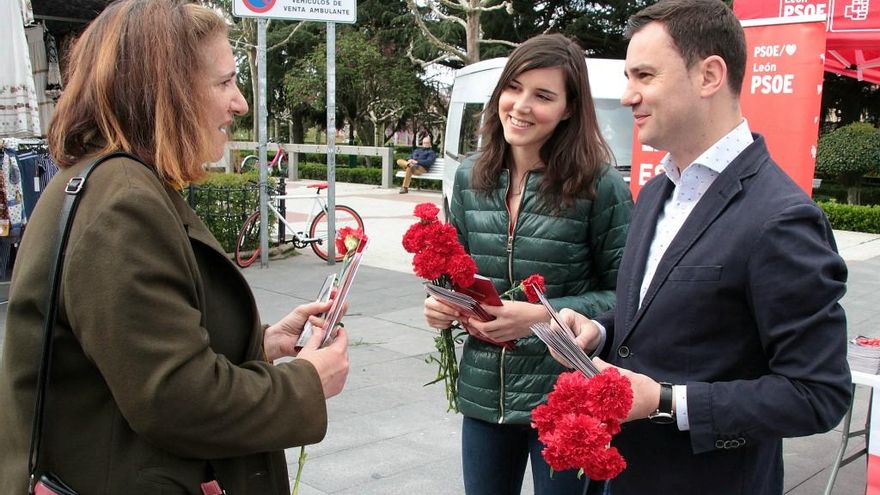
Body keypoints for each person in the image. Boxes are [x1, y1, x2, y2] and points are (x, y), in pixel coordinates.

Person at [0, 1, 350, 494]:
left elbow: (134, 351)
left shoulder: (115, 181)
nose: (240, 103)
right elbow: (176, 399)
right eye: (224, 82)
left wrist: (263, 344)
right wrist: (307, 384)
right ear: (166, 92)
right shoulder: (123, 203)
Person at [550, 1, 852, 494]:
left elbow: (816, 393)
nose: (629, 96)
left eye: (644, 75)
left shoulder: (781, 218)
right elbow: (664, 320)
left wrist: (667, 402)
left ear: (710, 75)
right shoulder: (656, 192)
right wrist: (598, 332)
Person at [423, 34, 633, 495]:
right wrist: (440, 304)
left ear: (569, 109)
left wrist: (543, 315)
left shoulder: (599, 185)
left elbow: (629, 298)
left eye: (543, 96)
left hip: (565, 397)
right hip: (484, 392)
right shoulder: (470, 176)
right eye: (513, 88)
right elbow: (451, 273)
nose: (520, 105)